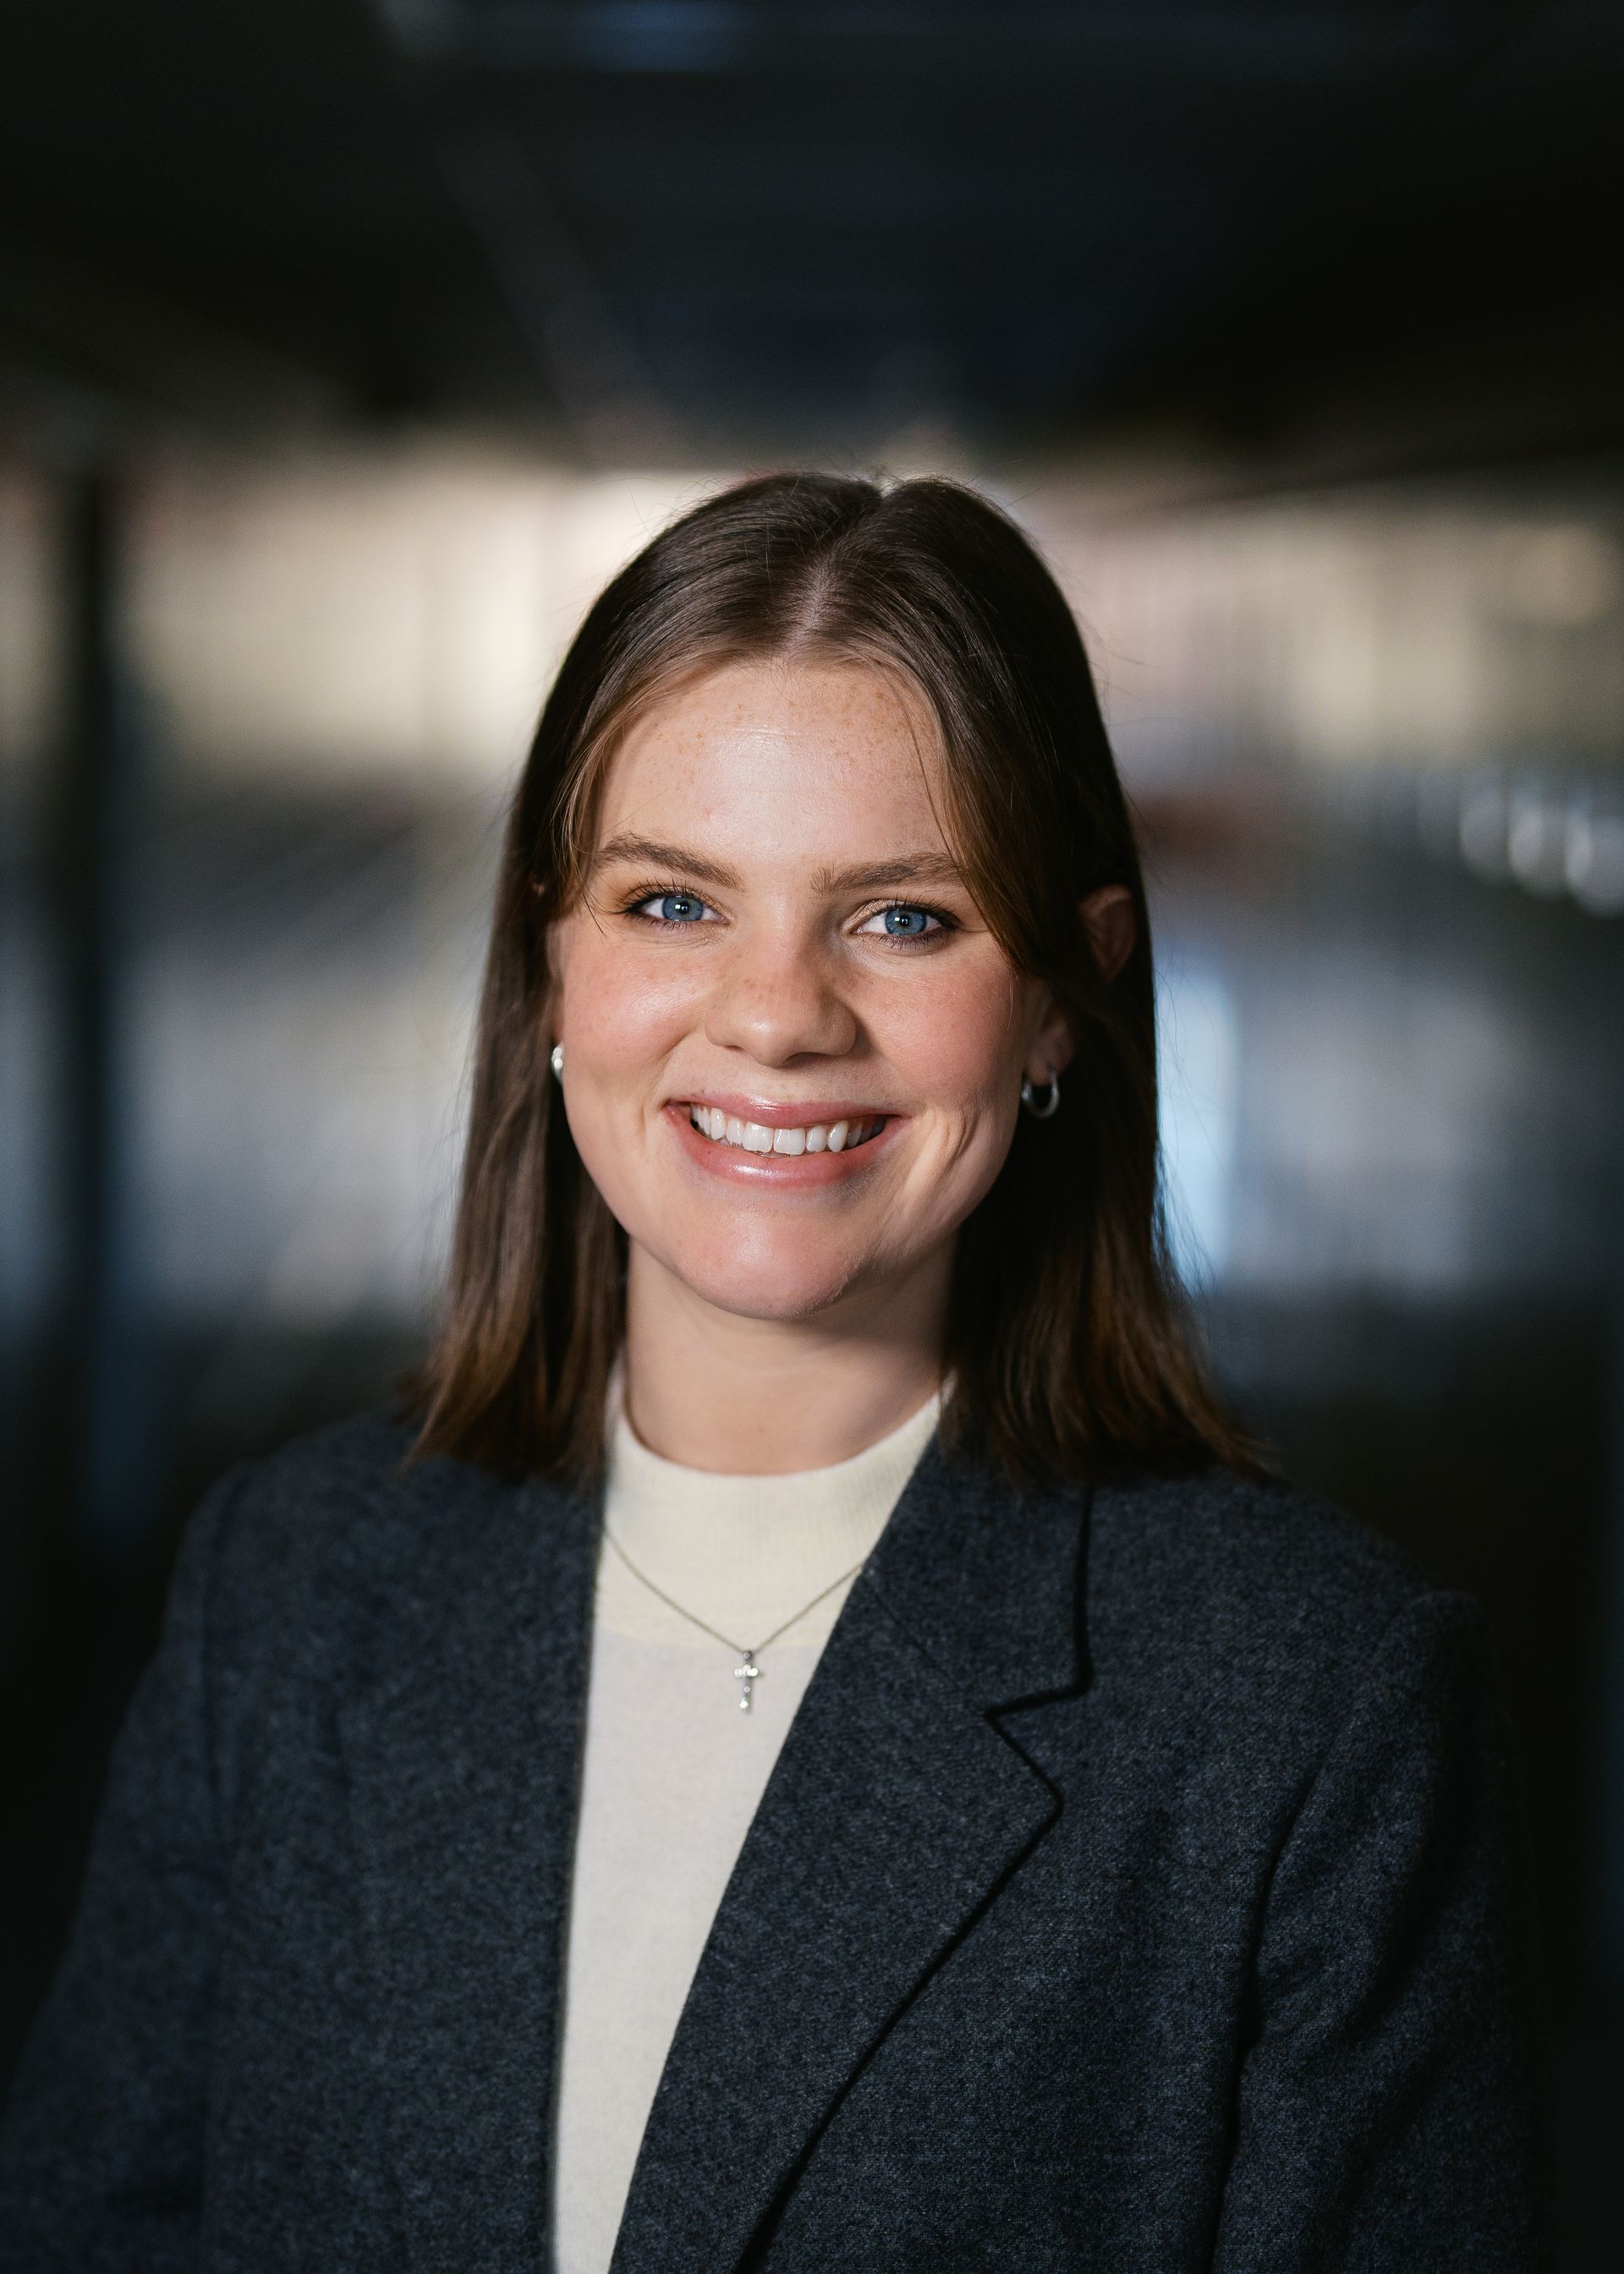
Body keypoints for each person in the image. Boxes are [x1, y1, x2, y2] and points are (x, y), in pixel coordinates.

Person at [0, 474, 1546, 2271]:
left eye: (902, 917)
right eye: (673, 905)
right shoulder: (288, 1582)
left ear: (1065, 992)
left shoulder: (1311, 1713)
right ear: (549, 957)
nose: (776, 1014)